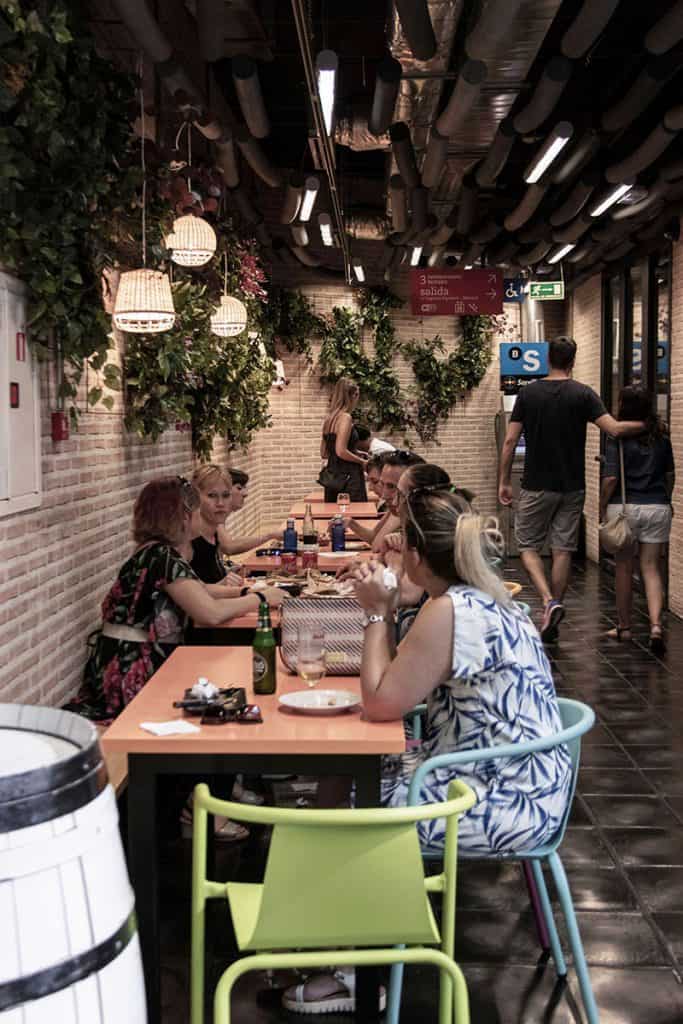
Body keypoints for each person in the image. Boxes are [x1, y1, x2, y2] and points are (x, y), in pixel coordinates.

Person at [284, 489, 570, 1014]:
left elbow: (380, 703)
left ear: (415, 556)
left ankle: (352, 971)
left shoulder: (450, 610)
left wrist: (376, 613)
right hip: (527, 782)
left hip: (502, 800)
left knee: (347, 805)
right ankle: (338, 948)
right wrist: (391, 609)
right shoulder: (485, 596)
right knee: (339, 784)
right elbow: (397, 682)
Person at [72, 476, 283, 722]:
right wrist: (261, 598)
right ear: (183, 516)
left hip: (118, 663)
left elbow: (200, 589)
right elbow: (210, 613)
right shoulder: (164, 556)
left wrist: (245, 593)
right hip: (132, 671)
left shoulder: (153, 550)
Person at [499, 335, 645, 642]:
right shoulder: (583, 394)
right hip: (572, 485)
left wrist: (502, 480)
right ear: (573, 362)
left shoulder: (529, 394)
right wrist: (651, 425)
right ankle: (555, 606)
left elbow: (510, 441)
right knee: (563, 549)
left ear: (547, 358)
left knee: (526, 546)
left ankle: (548, 601)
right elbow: (615, 429)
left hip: (536, 484)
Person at [599, 386, 675, 652]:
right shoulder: (662, 436)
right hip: (657, 506)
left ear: (624, 406)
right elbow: (669, 476)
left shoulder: (617, 436)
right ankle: (655, 626)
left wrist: (601, 505)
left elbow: (610, 479)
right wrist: (667, 499)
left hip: (624, 508)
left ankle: (624, 627)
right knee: (651, 568)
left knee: (624, 567)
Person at [345, 449, 424, 551]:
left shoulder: (405, 509)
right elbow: (374, 537)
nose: (384, 495)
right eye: (382, 484)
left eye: (391, 486)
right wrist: (351, 523)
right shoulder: (395, 507)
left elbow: (376, 546)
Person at [213, 467, 282, 557]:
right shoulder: (212, 517)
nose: (245, 493)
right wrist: (270, 536)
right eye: (239, 488)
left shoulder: (219, 518)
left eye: (244, 487)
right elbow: (229, 547)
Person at [319, 378, 368, 501]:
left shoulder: (329, 419)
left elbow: (324, 453)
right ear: (353, 395)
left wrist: (355, 451)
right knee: (356, 515)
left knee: (333, 517)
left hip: (332, 478)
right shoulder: (345, 417)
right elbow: (341, 451)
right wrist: (362, 462)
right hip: (349, 478)